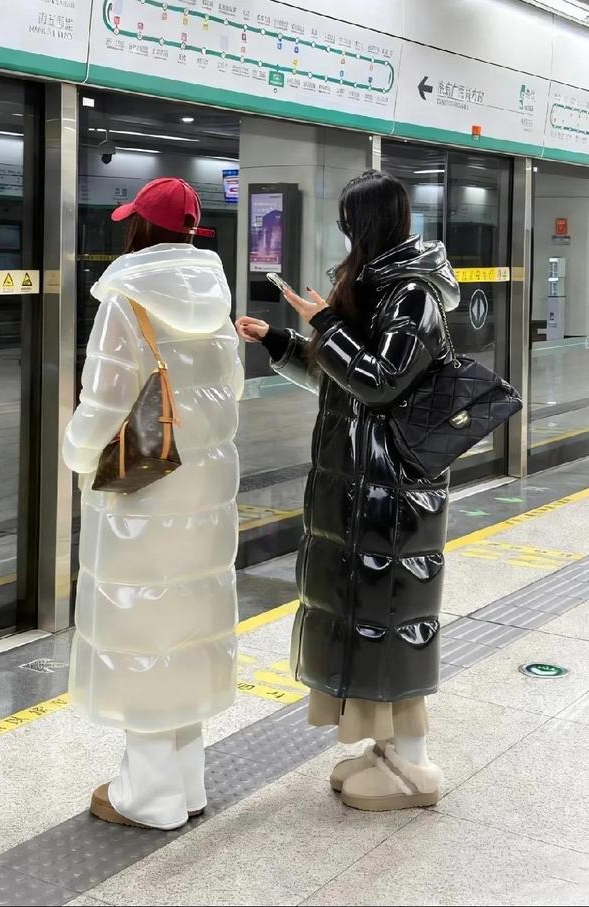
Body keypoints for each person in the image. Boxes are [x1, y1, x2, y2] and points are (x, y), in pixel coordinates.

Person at [236, 170, 459, 812]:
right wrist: (283, 339)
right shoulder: (377, 285)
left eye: (347, 221)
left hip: (395, 488)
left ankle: (414, 767)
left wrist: (328, 322)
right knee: (367, 619)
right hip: (361, 483)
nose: (342, 232)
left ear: (366, 223)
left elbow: (380, 380)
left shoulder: (412, 293)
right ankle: (386, 750)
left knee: (394, 618)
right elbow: (343, 379)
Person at [63, 177, 244, 830]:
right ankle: (187, 783)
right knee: (187, 631)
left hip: (144, 486)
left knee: (142, 632)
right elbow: (232, 386)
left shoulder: (126, 297)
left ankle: (149, 795)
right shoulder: (215, 294)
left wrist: (77, 454)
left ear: (140, 227)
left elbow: (105, 399)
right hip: (204, 488)